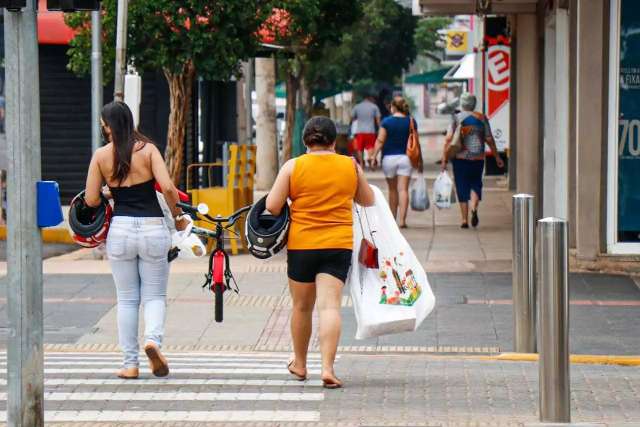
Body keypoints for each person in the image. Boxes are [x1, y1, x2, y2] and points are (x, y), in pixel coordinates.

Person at [266, 116, 375, 389]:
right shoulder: (349, 165)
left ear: (306, 142)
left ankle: (300, 364)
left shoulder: (293, 166)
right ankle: (327, 368)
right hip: (337, 244)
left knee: (302, 306)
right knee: (330, 307)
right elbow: (367, 199)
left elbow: (273, 205)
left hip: (302, 245)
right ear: (334, 141)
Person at [84, 101, 189, 379]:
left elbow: (91, 199)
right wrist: (178, 217)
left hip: (121, 230)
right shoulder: (149, 150)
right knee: (154, 295)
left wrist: (111, 192)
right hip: (154, 229)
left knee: (127, 299)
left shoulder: (101, 156)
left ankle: (130, 364)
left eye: (103, 123)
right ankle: (152, 341)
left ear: (108, 126)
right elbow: (167, 187)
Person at [441, 92, 504, 229]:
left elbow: (448, 139)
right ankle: (474, 209)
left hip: (460, 159)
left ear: (462, 104)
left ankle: (464, 220)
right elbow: (489, 139)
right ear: (474, 104)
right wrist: (497, 157)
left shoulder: (456, 118)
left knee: (462, 186)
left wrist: (444, 159)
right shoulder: (482, 118)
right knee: (475, 184)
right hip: (477, 158)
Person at [372, 96, 422, 228]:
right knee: (403, 189)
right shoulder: (411, 121)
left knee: (392, 190)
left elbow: (380, 140)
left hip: (389, 159)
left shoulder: (387, 122)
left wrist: (373, 156)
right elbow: (416, 142)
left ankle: (392, 219)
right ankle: (402, 220)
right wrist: (419, 161)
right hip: (406, 158)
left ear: (392, 107)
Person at [350, 94, 381, 169]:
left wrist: (351, 124)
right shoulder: (374, 107)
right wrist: (380, 129)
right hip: (370, 131)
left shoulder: (357, 106)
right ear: (370, 98)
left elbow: (351, 117)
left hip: (360, 130)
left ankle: (361, 164)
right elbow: (378, 119)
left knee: (360, 148)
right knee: (370, 146)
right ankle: (370, 158)